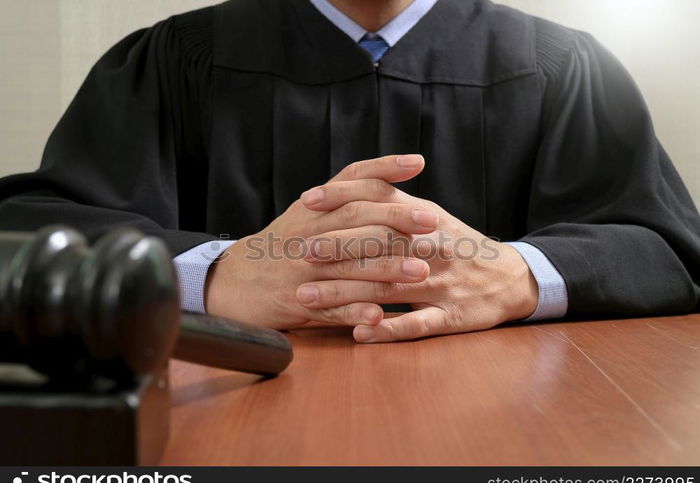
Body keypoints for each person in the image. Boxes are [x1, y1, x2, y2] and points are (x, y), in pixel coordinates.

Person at [0, 0, 698, 343]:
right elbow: (30, 233)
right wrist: (210, 273)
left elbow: (665, 245)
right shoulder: (180, 58)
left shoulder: (561, 66)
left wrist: (519, 276)